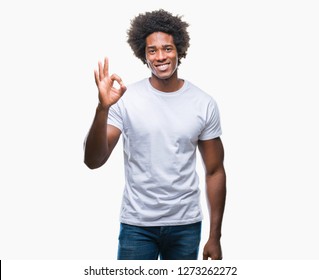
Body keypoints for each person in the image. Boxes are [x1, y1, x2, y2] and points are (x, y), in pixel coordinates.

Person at [84, 9, 226, 260]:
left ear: (179, 51)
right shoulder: (125, 100)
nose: (161, 56)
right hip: (137, 226)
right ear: (144, 55)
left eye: (167, 48)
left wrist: (215, 236)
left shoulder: (203, 103)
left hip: (186, 225)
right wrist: (102, 108)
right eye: (153, 50)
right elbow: (93, 161)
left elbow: (214, 170)